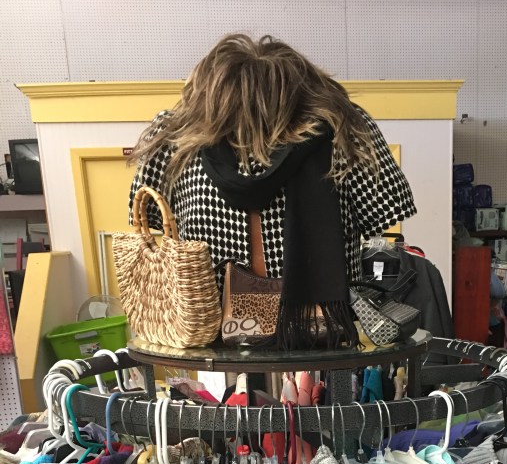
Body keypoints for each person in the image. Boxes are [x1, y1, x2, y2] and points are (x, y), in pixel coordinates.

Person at [129, 34, 416, 347]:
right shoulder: (342, 128)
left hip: (210, 324)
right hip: (314, 323)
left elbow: (150, 217)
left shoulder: (176, 137)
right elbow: (383, 211)